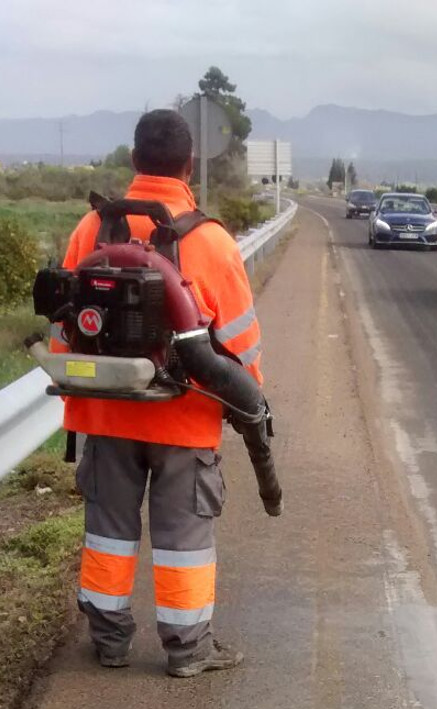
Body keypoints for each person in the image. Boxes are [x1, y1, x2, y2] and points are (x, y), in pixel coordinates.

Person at [54, 109, 266, 678]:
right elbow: (242, 351)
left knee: (108, 534)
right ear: (189, 165)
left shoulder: (89, 230)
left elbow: (64, 331)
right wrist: (249, 405)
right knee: (183, 539)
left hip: (105, 414)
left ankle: (108, 642)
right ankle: (188, 649)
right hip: (186, 417)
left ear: (132, 161)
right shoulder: (213, 242)